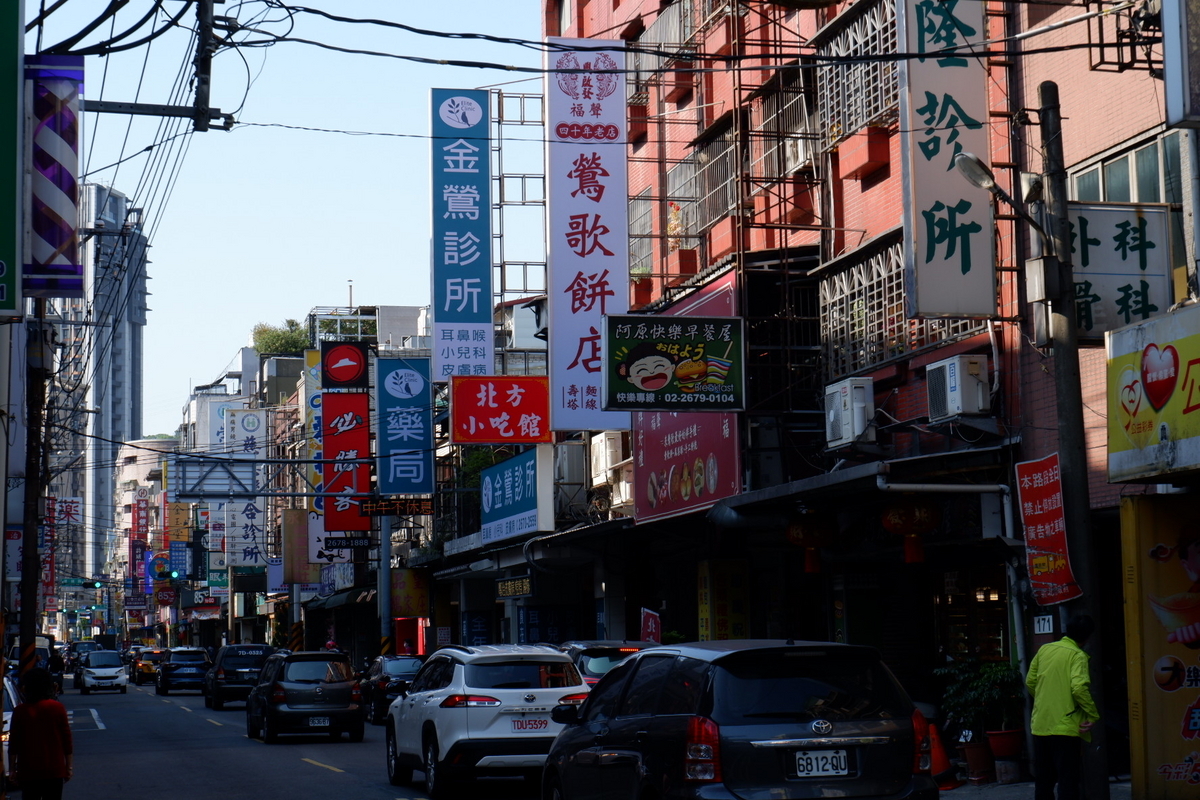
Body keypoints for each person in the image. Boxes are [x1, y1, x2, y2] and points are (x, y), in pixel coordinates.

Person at [1026, 615, 1100, 800]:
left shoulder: (1044, 649)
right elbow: (1079, 688)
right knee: (1068, 780)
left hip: (1041, 724)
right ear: (1087, 637)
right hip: (1066, 727)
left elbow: (1030, 681)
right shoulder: (1077, 655)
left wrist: (1046, 699)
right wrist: (1092, 714)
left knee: (1043, 779)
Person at [9, 667, 73, 800]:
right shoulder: (57, 708)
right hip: (54, 770)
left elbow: (14, 743)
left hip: (28, 770)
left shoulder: (20, 711)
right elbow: (67, 741)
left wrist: (12, 769)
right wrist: (68, 767)